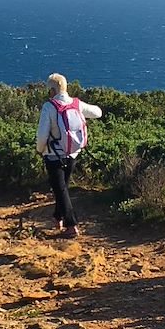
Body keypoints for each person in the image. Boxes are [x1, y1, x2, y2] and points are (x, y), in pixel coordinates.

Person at [36, 73, 103, 238]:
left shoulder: (49, 107)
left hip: (53, 155)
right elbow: (98, 113)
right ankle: (57, 217)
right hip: (72, 153)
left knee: (60, 190)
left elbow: (42, 135)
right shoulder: (76, 104)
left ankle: (71, 224)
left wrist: (40, 149)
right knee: (62, 188)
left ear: (52, 90)